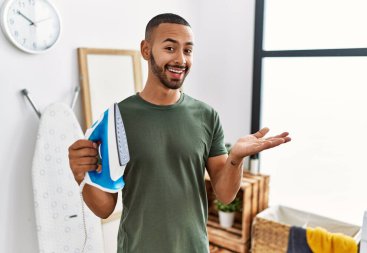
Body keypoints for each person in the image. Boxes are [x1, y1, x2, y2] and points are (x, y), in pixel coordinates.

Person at [68, 13, 291, 253]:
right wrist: (80, 174)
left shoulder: (207, 116)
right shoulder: (117, 118)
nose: (180, 59)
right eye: (170, 48)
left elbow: (226, 195)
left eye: (188, 50)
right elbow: (104, 208)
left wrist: (235, 159)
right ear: (146, 49)